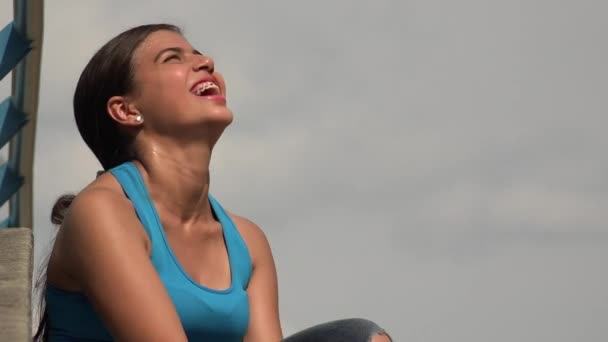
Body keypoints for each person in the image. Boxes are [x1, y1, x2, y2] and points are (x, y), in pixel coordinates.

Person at [34, 24, 392, 342]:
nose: (206, 63)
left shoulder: (248, 242)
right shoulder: (104, 214)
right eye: (172, 58)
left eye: (199, 55)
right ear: (126, 111)